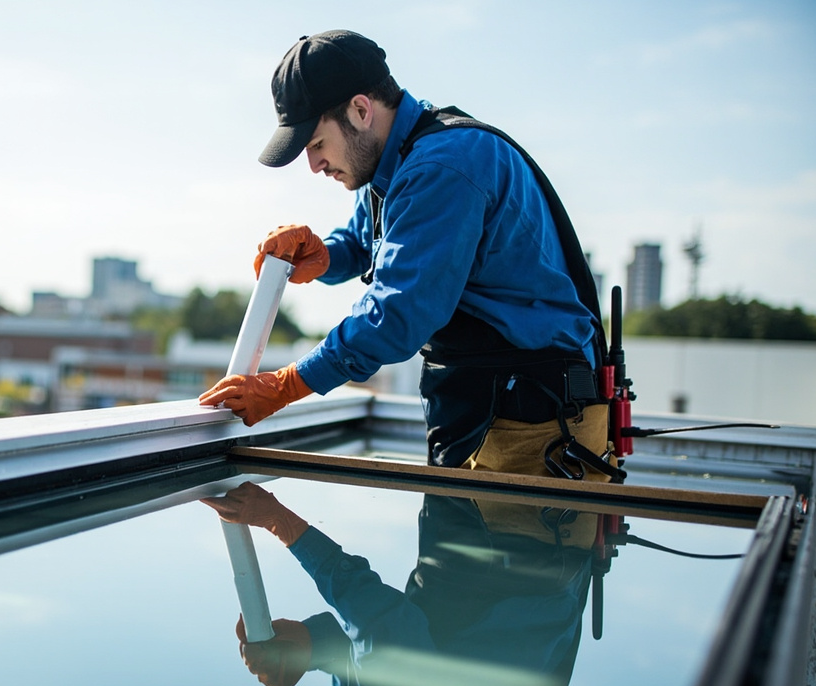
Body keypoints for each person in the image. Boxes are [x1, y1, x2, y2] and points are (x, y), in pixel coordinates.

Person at [198, 30, 617, 482]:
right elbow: (363, 244)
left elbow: (398, 314)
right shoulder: (393, 160)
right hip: (483, 405)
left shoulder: (442, 166)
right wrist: (322, 256)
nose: (314, 166)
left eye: (316, 144)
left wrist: (287, 385)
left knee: (509, 554)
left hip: (534, 418)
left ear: (360, 110)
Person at [203, 481, 593, 686]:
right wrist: (279, 522)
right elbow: (390, 633)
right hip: (512, 555)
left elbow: (367, 665)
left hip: (515, 570)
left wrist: (310, 648)